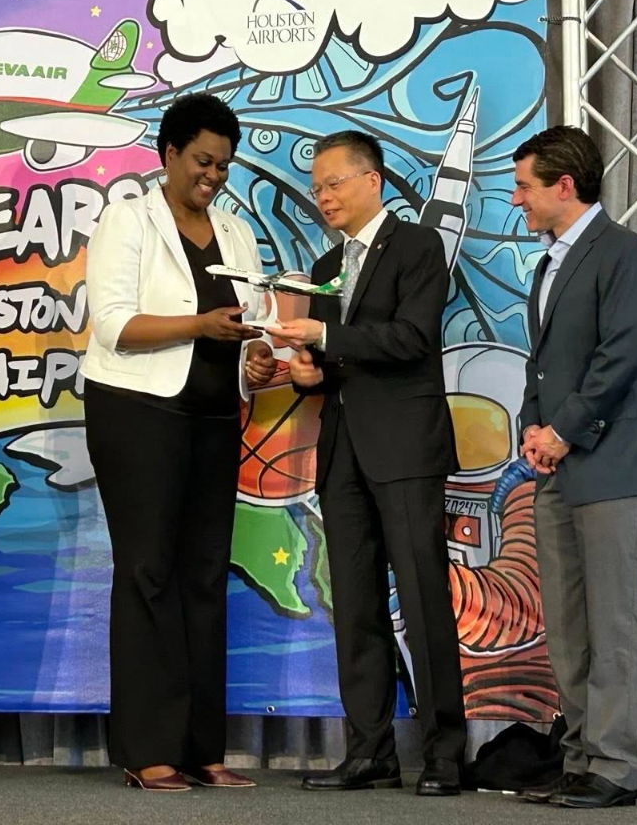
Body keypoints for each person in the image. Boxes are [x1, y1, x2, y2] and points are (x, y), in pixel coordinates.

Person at [81, 93, 277, 791]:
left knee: (204, 574)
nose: (213, 176)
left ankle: (201, 749)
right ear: (169, 153)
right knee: (149, 571)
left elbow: (253, 323)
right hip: (136, 410)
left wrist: (256, 359)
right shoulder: (128, 219)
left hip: (215, 415)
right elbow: (114, 326)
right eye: (202, 161)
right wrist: (199, 326)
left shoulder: (236, 231)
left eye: (223, 165)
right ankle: (147, 750)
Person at [273, 130, 464, 796]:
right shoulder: (328, 263)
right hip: (343, 452)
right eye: (317, 188)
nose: (323, 197)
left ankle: (445, 754)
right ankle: (369, 751)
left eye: (334, 183)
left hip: (406, 448)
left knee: (423, 598)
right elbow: (336, 366)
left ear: (372, 180)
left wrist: (324, 335)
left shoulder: (418, 245)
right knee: (354, 605)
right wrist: (308, 372)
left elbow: (411, 338)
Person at [509, 126, 637, 809]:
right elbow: (543, 366)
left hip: (613, 466)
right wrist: (532, 428)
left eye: (524, 186)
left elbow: (620, 356)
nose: (517, 199)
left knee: (615, 624)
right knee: (569, 627)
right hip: (557, 469)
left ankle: (614, 766)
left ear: (565, 185)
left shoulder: (624, 252)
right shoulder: (548, 264)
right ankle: (578, 757)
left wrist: (562, 433)